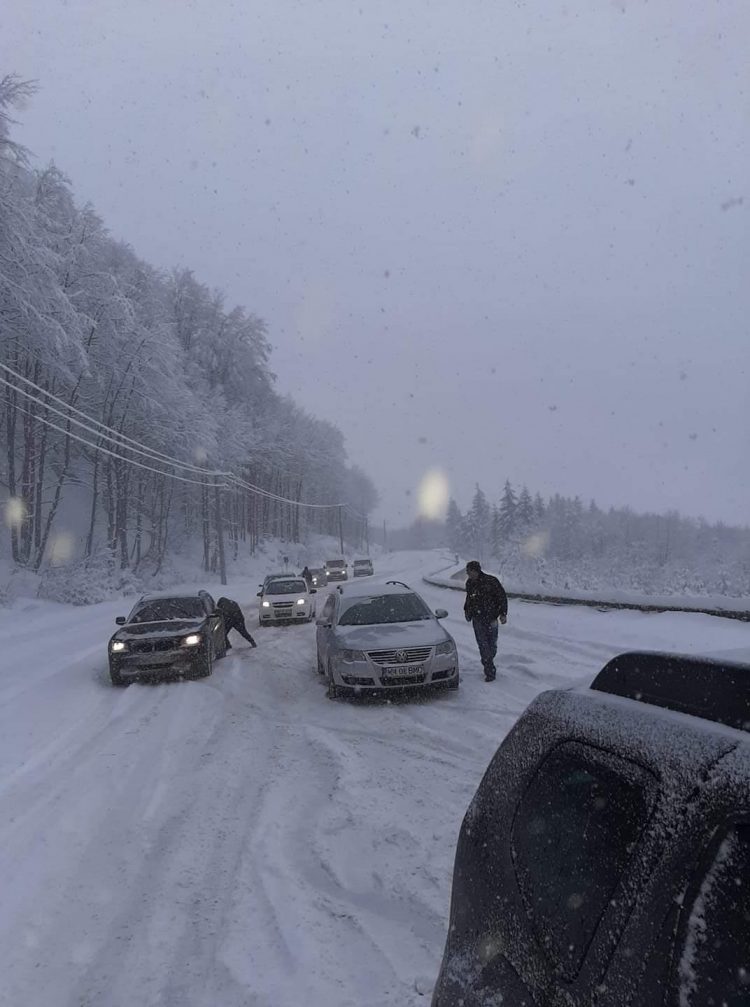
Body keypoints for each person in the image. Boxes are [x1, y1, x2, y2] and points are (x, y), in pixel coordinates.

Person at [463, 560, 508, 682]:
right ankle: (489, 670)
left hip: (492, 618)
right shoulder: (469, 584)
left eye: (469, 572)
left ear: (475, 570)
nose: (468, 574)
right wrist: (467, 611)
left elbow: (502, 597)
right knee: (483, 645)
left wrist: (503, 613)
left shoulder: (491, 581)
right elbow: (469, 599)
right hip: (477, 619)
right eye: (467, 572)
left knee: (492, 645)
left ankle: (488, 660)